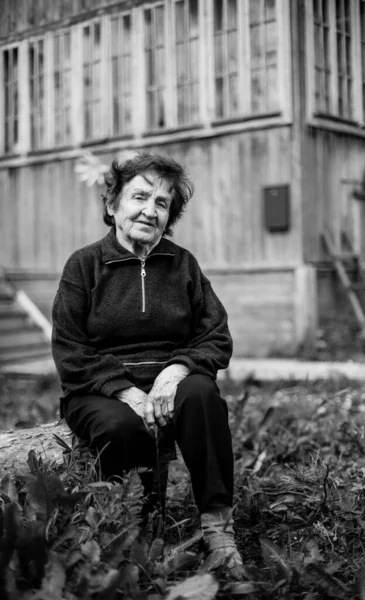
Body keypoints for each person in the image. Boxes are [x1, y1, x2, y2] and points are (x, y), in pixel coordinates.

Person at [51, 151, 244, 578]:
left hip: (170, 381)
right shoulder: (84, 266)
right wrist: (125, 390)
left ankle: (218, 526)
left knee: (202, 394)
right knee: (121, 425)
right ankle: (132, 528)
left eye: (162, 203)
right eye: (140, 197)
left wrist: (176, 371)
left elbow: (216, 335)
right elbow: (69, 349)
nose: (150, 210)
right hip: (100, 390)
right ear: (112, 204)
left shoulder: (183, 265)